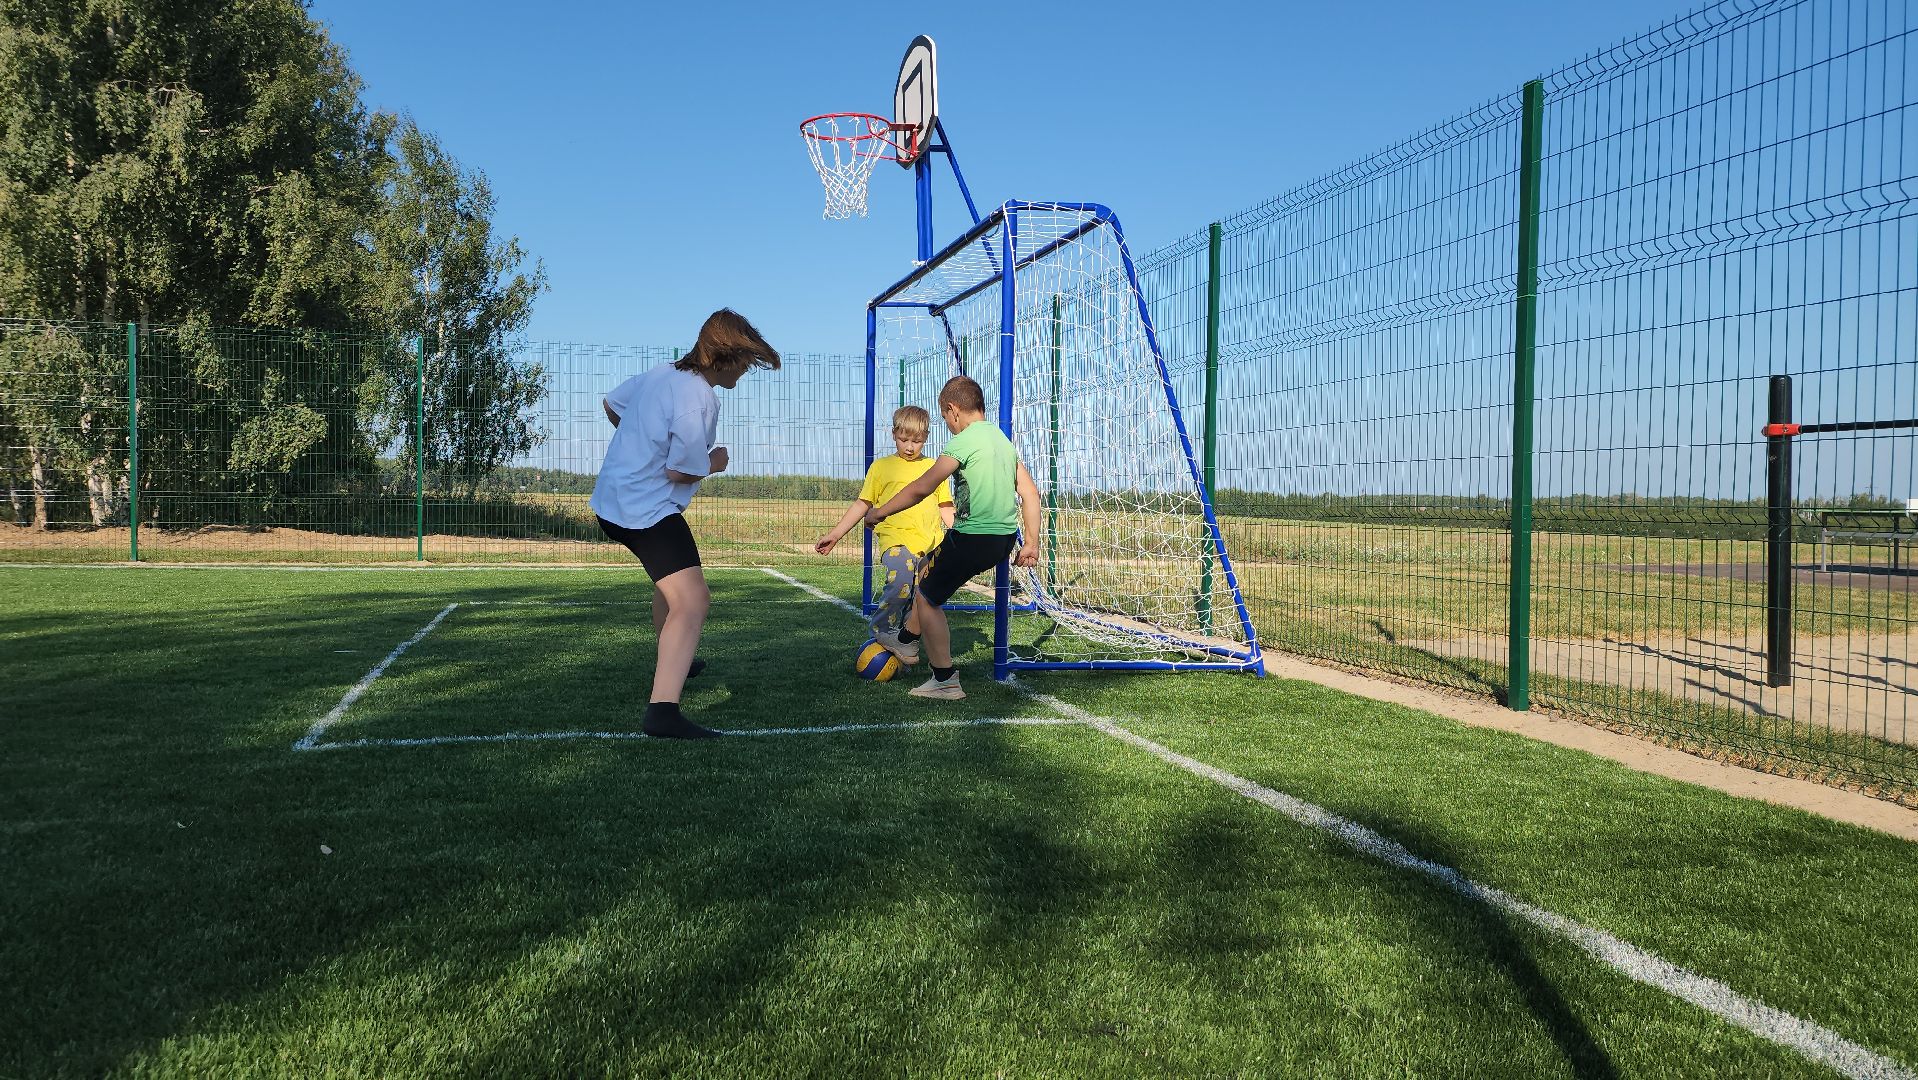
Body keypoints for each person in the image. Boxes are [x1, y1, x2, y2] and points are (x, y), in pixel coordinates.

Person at [590, 309, 779, 738]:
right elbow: (680, 470)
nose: (746, 371)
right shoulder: (700, 398)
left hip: (612, 502)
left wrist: (640, 443)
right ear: (724, 356)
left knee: (669, 587)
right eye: (746, 362)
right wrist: (713, 463)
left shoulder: (661, 373)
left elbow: (611, 403)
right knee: (693, 601)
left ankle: (676, 655)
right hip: (646, 510)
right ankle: (663, 713)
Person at [863, 376, 1041, 700]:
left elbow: (922, 487)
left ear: (953, 409)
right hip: (1003, 539)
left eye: (945, 420)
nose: (948, 426)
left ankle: (944, 679)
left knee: (927, 597)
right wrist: (1031, 543)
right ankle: (906, 638)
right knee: (927, 572)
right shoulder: (1002, 441)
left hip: (971, 537)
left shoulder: (962, 442)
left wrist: (880, 512)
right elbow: (1030, 493)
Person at [815, 405, 955, 644]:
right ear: (893, 434)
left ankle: (904, 644)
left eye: (917, 441)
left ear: (926, 438)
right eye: (903, 439)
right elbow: (862, 504)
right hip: (896, 541)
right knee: (900, 581)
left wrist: (959, 536)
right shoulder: (881, 468)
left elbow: (945, 507)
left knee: (922, 599)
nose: (910, 447)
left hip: (929, 544)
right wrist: (835, 535)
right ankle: (881, 631)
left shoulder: (934, 468)